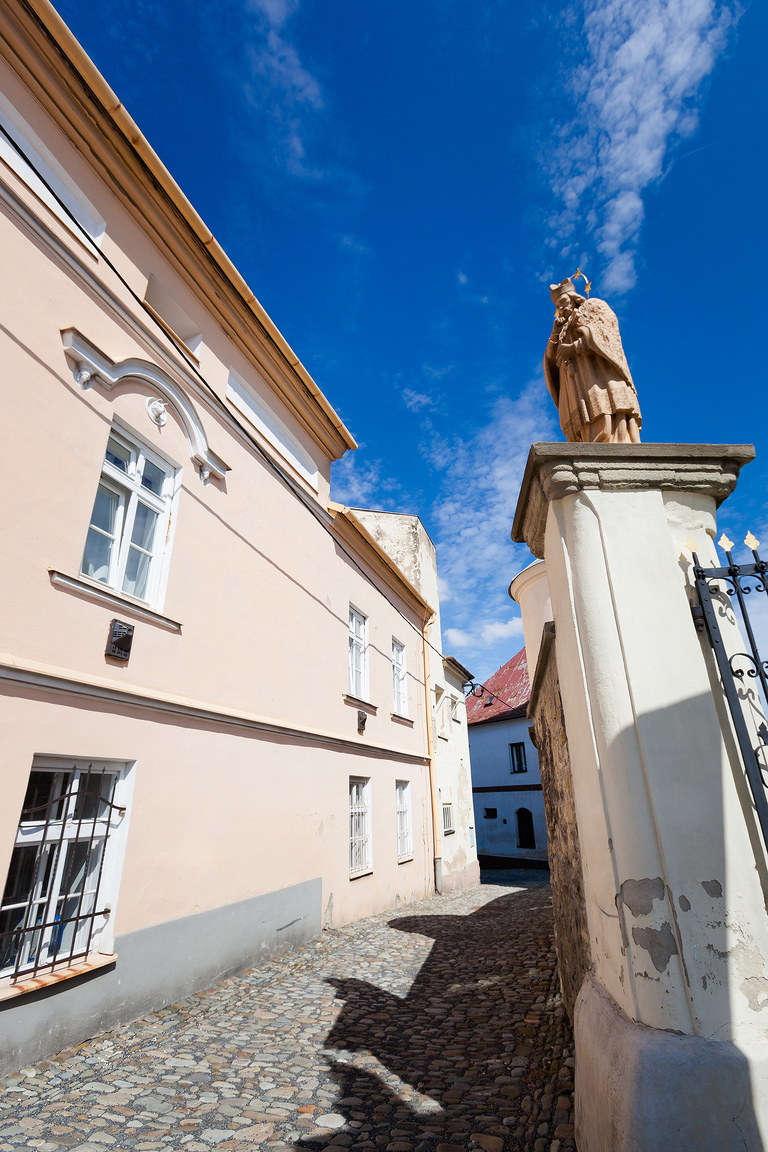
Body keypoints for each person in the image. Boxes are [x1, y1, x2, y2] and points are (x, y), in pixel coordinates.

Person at [543, 277, 641, 443]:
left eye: (564, 301)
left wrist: (575, 347)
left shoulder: (592, 306)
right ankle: (589, 442)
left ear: (574, 298)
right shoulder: (561, 328)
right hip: (575, 384)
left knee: (605, 410)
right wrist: (555, 334)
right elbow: (552, 359)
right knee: (586, 420)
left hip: (597, 375)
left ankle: (612, 438)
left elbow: (606, 332)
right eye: (557, 305)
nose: (560, 307)